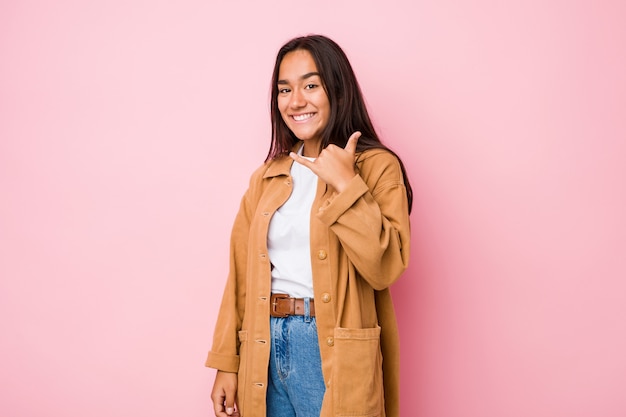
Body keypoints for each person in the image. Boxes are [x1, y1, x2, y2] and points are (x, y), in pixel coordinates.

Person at [207, 34, 412, 417]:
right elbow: (239, 277)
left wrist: (346, 185)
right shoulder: (267, 178)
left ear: (337, 89)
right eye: (285, 89)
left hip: (329, 347)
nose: (296, 101)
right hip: (264, 348)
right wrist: (227, 361)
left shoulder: (377, 167)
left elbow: (385, 267)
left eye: (310, 85)